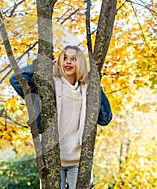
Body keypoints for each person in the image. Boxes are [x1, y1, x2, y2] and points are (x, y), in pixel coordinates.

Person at [10, 45, 112, 189]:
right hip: (52, 160)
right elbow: (16, 80)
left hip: (78, 161)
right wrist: (39, 66)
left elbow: (105, 118)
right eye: (64, 58)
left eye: (73, 59)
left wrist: (96, 87)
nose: (68, 62)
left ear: (80, 63)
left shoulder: (87, 89)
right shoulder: (48, 85)